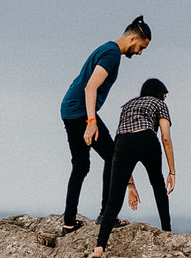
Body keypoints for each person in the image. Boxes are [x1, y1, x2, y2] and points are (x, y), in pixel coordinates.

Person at [60, 17, 151, 231]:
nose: (139, 53)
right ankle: (105, 215)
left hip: (70, 108)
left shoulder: (107, 49)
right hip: (80, 111)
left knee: (81, 166)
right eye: (141, 47)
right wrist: (91, 122)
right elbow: (90, 87)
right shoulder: (111, 55)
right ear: (132, 38)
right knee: (113, 156)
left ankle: (69, 223)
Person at [87, 78, 175, 258]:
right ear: (160, 93)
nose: (165, 97)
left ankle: (99, 248)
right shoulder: (159, 103)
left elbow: (123, 139)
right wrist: (172, 171)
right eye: (165, 94)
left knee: (113, 201)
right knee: (158, 186)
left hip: (123, 143)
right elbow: (165, 137)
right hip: (147, 138)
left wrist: (131, 185)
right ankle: (167, 233)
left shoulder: (128, 105)